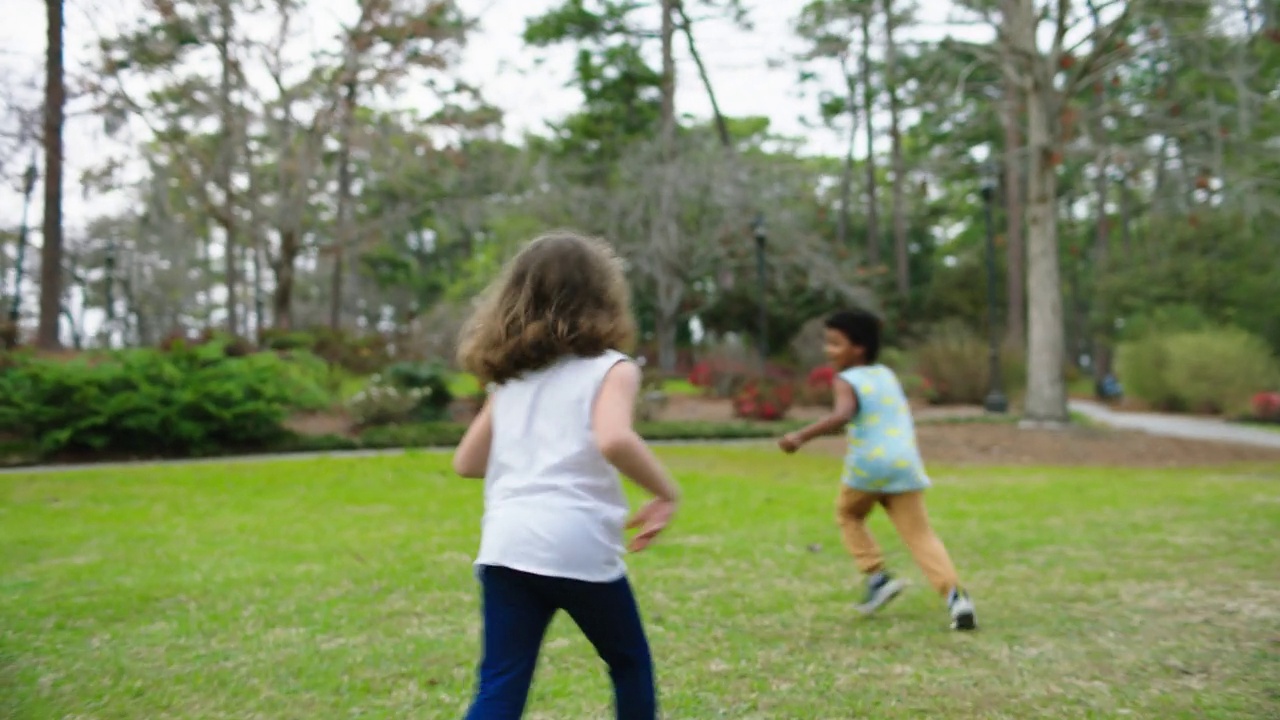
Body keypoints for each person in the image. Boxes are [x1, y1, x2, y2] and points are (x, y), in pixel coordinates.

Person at [451, 231, 682, 719]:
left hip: (506, 544)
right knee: (628, 663)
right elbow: (615, 438)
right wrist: (665, 492)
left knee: (500, 683)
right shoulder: (611, 368)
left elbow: (467, 462)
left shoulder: (510, 381)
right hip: (575, 541)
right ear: (603, 295)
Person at [777, 309, 978, 631]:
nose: (828, 351)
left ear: (859, 347)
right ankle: (957, 598)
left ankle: (876, 575)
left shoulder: (847, 379)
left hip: (869, 467)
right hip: (905, 464)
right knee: (920, 535)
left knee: (849, 515)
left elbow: (843, 415)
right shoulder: (886, 374)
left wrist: (800, 436)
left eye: (835, 344)